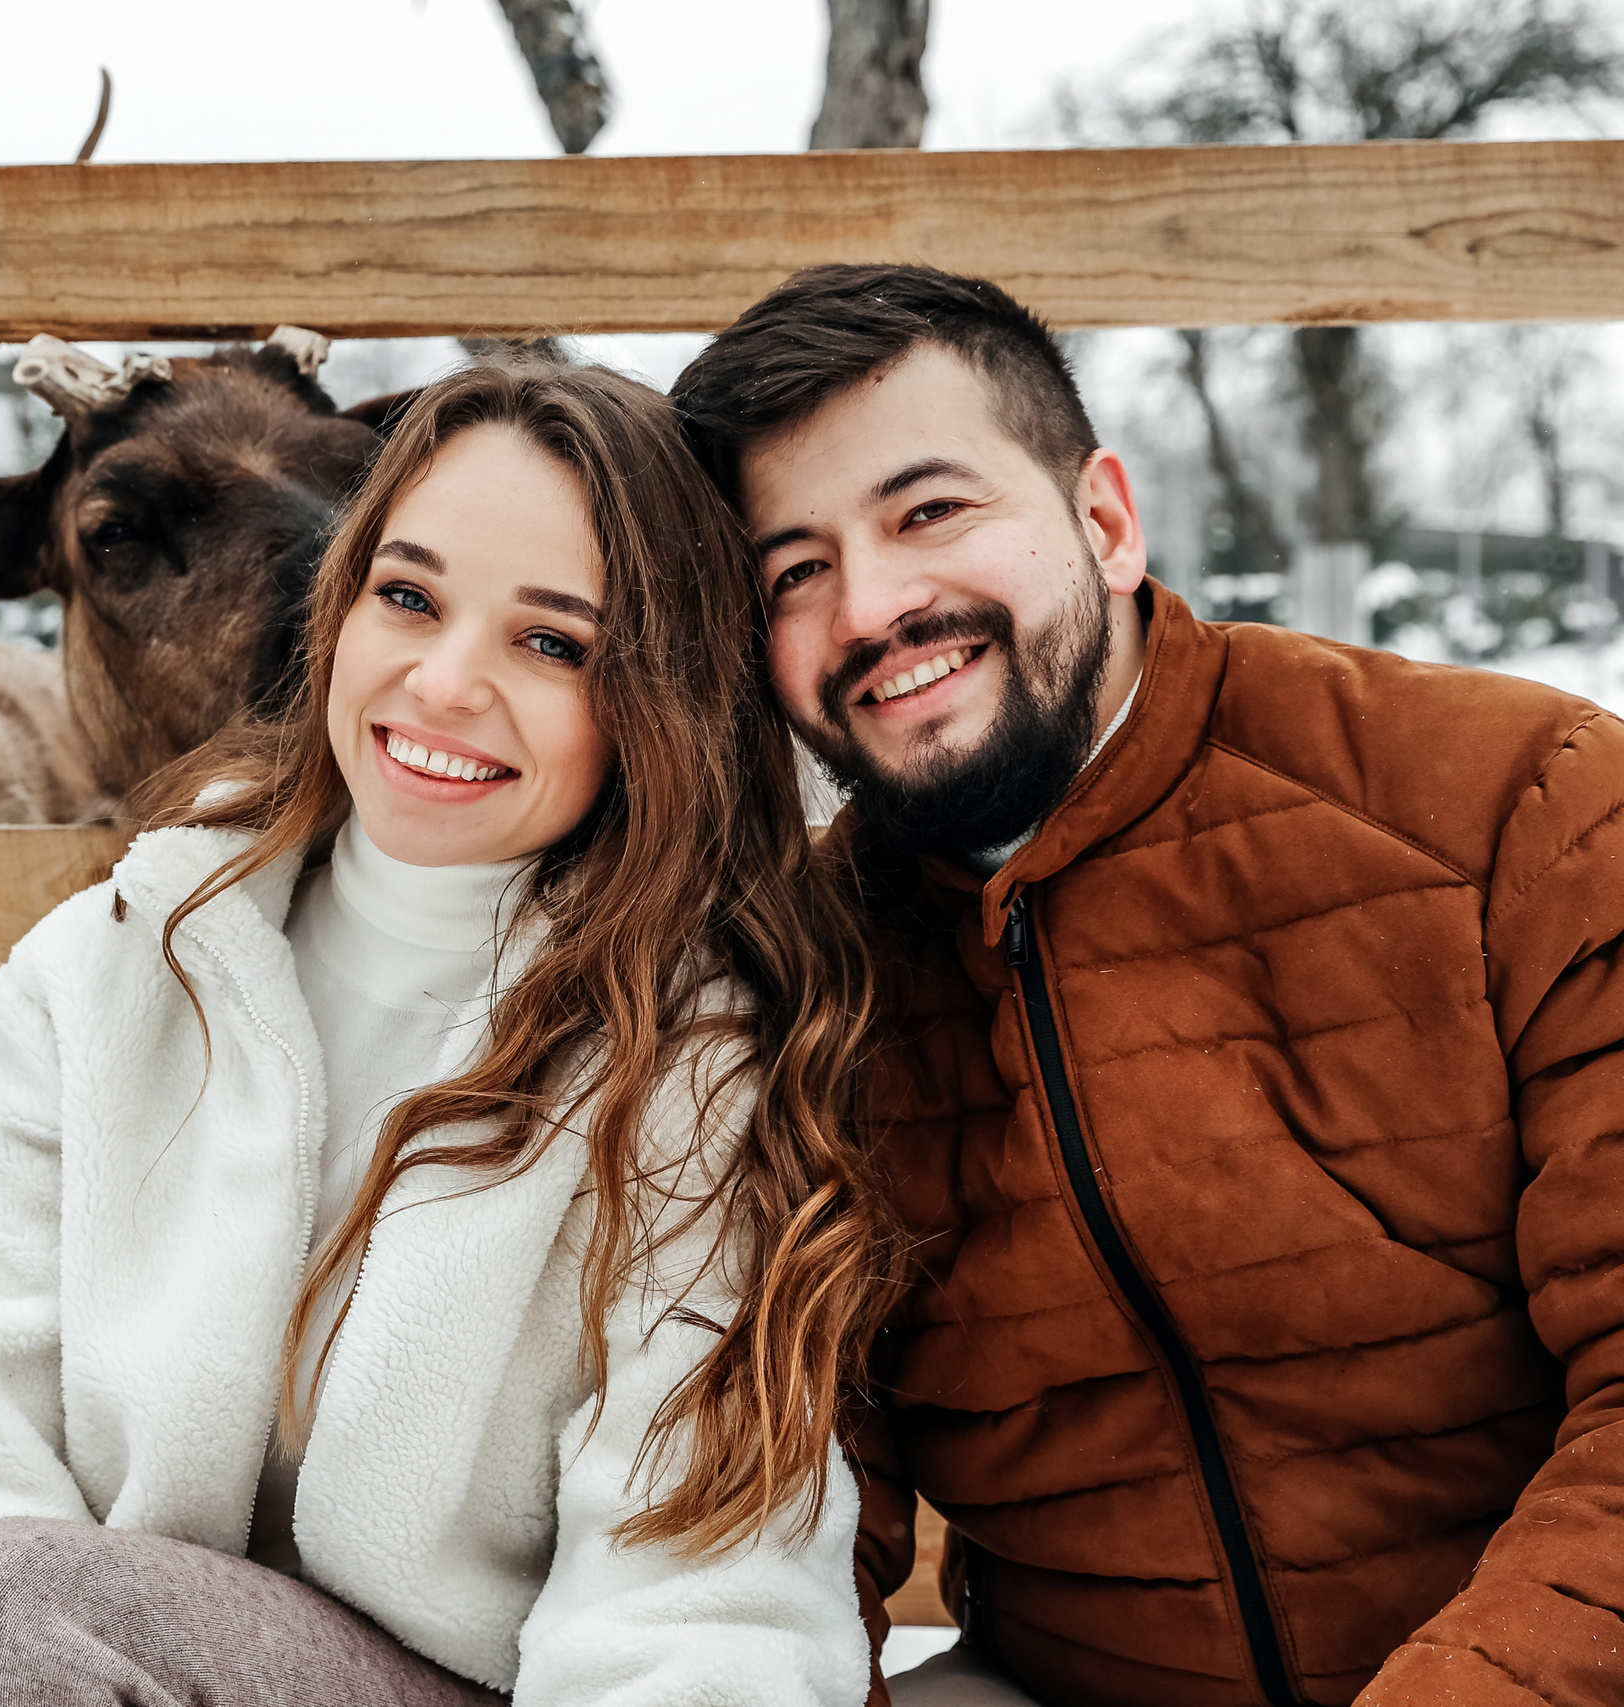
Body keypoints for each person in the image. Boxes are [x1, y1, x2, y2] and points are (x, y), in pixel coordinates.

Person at [0, 360, 896, 1707]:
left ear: (656, 693)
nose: (446, 682)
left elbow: (700, 1597)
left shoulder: (687, 1061)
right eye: (407, 597)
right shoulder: (97, 983)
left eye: (552, 642)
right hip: (110, 1669)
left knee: (16, 1603)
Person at [670, 263, 1624, 1707]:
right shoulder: (807, 968)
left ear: (1104, 521)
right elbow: (789, 1514)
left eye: (930, 512)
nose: (873, 606)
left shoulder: (1514, 804)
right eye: (794, 571)